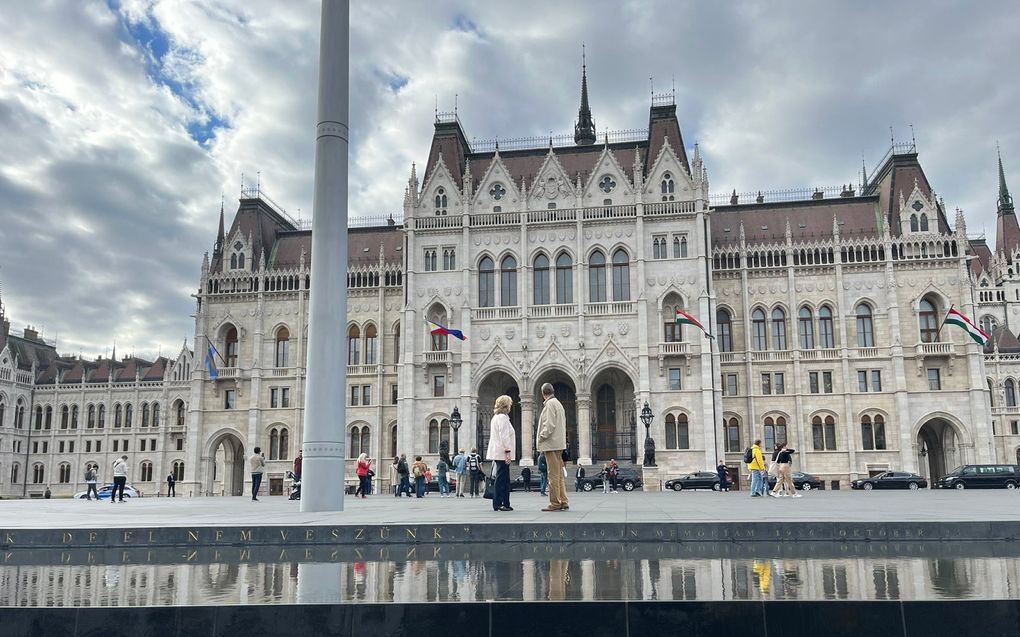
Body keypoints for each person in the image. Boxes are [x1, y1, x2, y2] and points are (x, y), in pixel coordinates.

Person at [536, 382, 569, 512]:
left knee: (553, 475)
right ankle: (564, 500)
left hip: (551, 444)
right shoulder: (558, 404)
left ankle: (555, 502)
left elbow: (549, 425)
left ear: (543, 394)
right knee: (559, 474)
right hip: (558, 444)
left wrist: (541, 436)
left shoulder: (549, 404)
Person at [486, 394, 516, 512]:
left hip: (498, 452)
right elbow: (504, 436)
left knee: (504, 478)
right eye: (510, 404)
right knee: (501, 478)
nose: (511, 406)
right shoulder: (502, 418)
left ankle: (505, 502)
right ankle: (499, 503)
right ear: (506, 405)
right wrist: (507, 451)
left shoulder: (496, 417)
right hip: (502, 452)